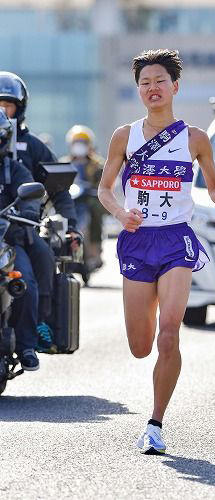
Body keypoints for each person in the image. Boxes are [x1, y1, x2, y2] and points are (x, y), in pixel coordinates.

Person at [98, 49, 215, 454]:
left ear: (175, 86)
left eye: (160, 81)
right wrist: (122, 213)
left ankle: (155, 425)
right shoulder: (124, 137)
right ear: (138, 90)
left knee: (169, 335)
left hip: (176, 239)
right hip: (138, 241)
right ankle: (152, 306)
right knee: (140, 346)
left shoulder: (195, 139)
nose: (152, 89)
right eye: (145, 83)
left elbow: (213, 183)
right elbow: (104, 189)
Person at [0, 71, 78, 350]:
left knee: (40, 263)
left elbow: (57, 189)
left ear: (18, 109)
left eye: (6, 105)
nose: (1, 111)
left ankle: (38, 326)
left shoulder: (31, 148)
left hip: (21, 227)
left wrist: (70, 225)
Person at [0, 108, 42, 370]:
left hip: (7, 242)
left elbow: (32, 194)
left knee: (24, 281)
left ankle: (27, 345)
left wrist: (27, 211)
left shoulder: (15, 170)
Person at [61, 125, 105, 269]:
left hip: (89, 199)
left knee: (95, 212)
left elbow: (104, 183)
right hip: (70, 200)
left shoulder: (97, 164)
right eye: (76, 142)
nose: (79, 146)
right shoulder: (64, 163)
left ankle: (95, 249)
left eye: (83, 142)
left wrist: (95, 190)